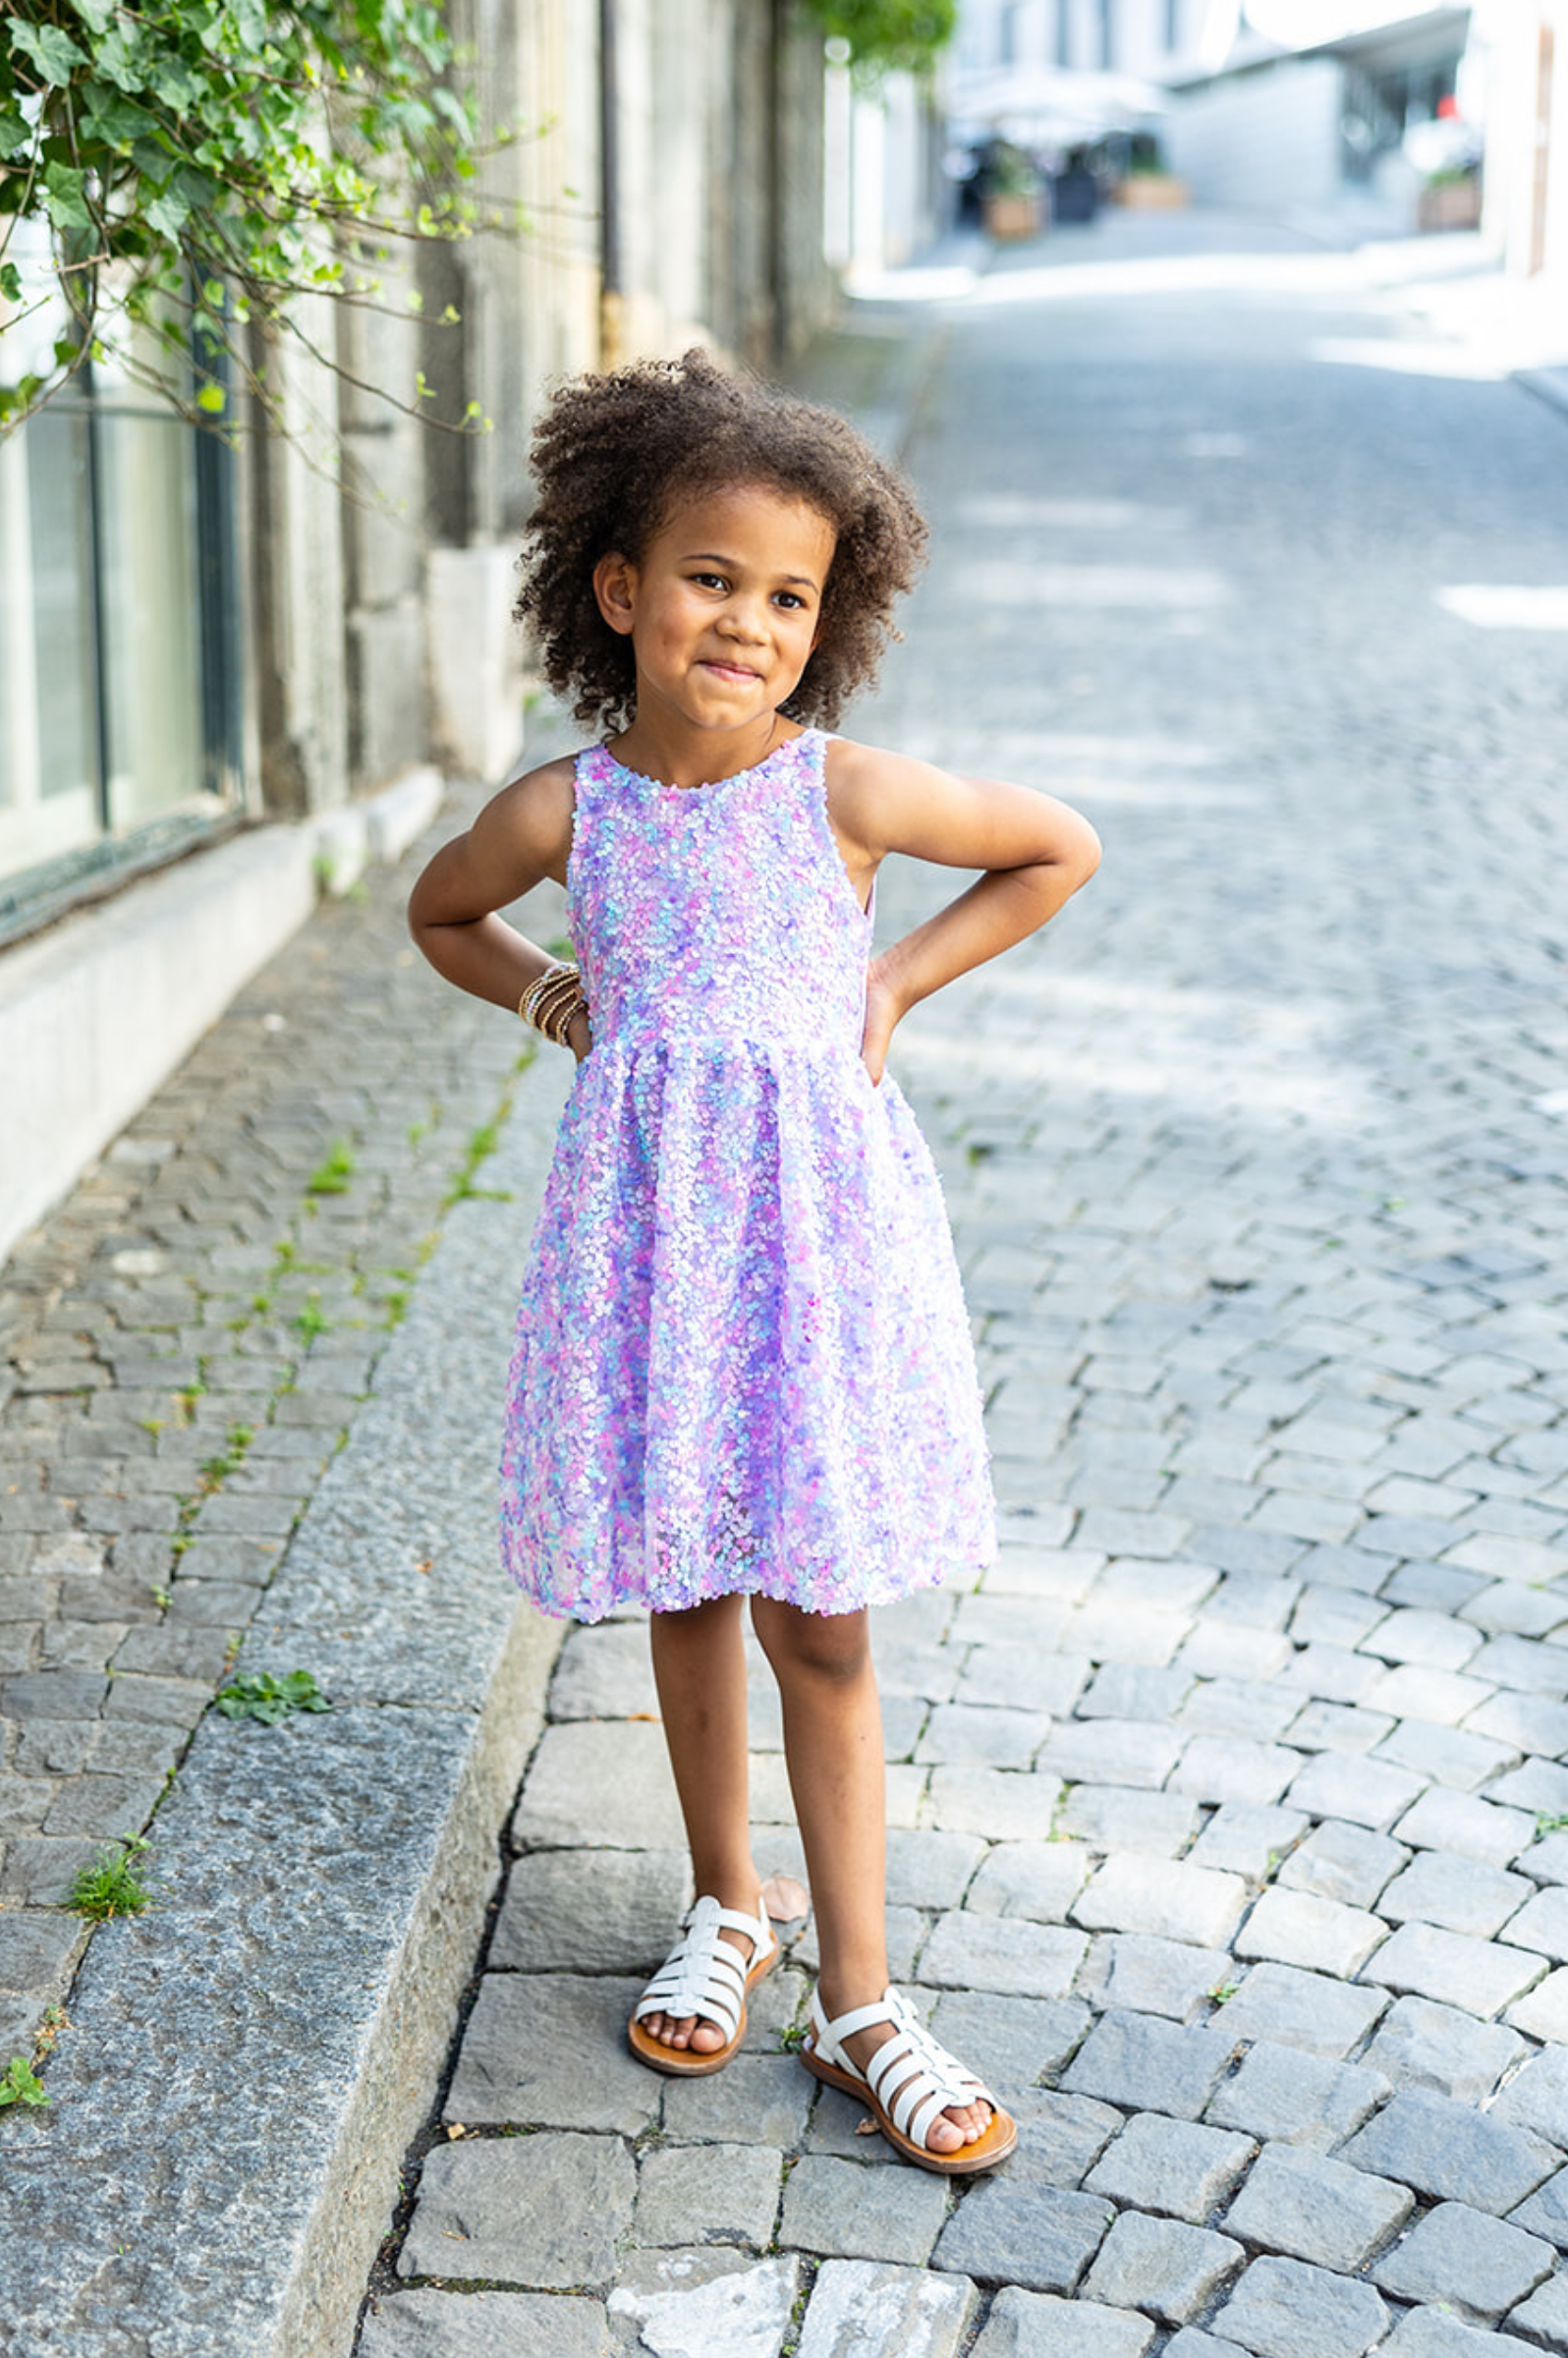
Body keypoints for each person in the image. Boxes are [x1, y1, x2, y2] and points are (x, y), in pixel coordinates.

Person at [408, 349, 1100, 2173]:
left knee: (821, 1611)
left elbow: (1054, 850)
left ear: (828, 618)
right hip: (649, 1247)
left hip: (811, 1249)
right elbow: (439, 910)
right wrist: (554, 990)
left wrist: (885, 982)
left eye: (788, 594)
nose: (749, 621)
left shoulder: (844, 794)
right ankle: (731, 1901)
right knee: (680, 1581)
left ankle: (863, 1998)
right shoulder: (576, 814)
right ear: (621, 590)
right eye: (711, 578)